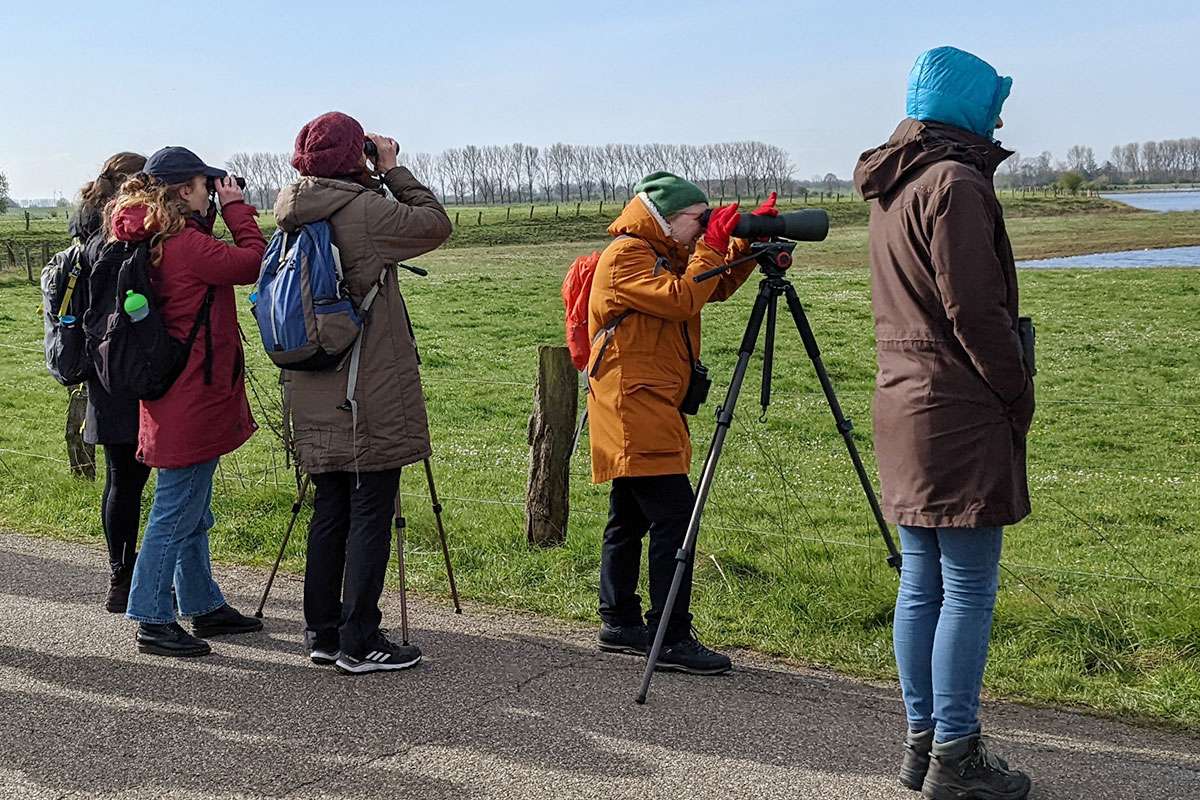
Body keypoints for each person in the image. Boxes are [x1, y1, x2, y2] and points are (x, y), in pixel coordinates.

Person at [854, 47, 1034, 800]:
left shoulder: (893, 184)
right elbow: (974, 310)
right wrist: (1014, 389)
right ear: (965, 106)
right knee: (965, 587)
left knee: (921, 582)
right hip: (955, 404)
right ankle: (955, 754)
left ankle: (923, 744)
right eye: (993, 101)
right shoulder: (956, 182)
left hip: (903, 398)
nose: (1000, 115)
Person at [274, 111, 452, 675]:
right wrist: (393, 169)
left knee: (329, 507)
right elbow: (434, 224)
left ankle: (323, 633)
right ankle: (362, 638)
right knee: (372, 508)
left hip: (311, 382)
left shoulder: (291, 215)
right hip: (365, 386)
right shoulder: (365, 210)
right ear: (359, 156)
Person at [586, 171, 776, 675]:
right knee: (675, 518)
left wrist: (742, 247)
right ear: (666, 218)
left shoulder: (658, 251)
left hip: (643, 402)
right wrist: (715, 245)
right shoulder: (627, 255)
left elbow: (706, 290)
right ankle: (670, 635)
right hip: (635, 405)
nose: (700, 229)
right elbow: (680, 299)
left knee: (629, 516)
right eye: (698, 220)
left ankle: (621, 621)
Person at [110, 147, 267, 657]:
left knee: (193, 511)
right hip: (191, 397)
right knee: (177, 511)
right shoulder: (184, 243)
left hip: (179, 393)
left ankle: (201, 604)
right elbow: (252, 262)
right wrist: (239, 210)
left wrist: (215, 213)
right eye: (207, 184)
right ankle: (152, 616)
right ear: (184, 191)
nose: (213, 190)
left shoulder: (163, 235)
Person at [70, 152, 150, 612]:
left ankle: (119, 574)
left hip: (99, 365)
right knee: (136, 478)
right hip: (129, 365)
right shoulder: (122, 239)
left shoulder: (87, 235)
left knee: (119, 480)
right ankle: (134, 578)